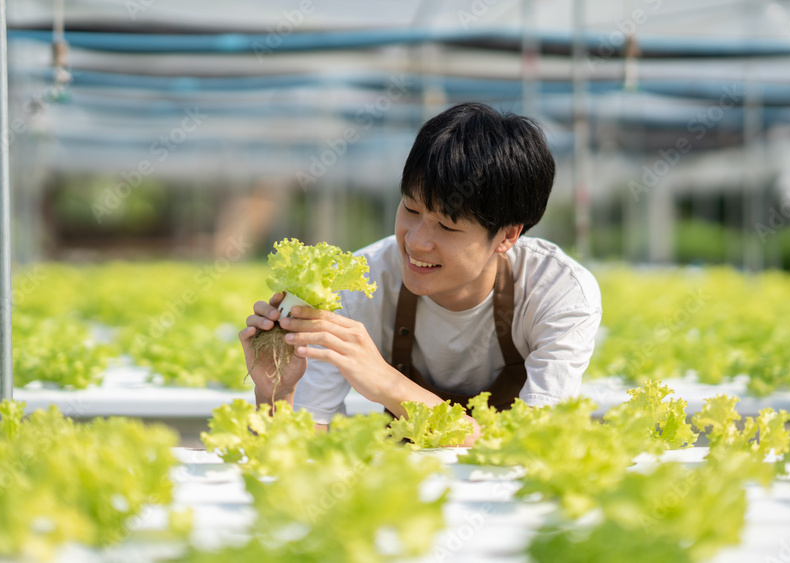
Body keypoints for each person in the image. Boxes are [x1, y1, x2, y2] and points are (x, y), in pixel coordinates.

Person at [239, 102, 601, 445]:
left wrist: (388, 384)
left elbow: (538, 446)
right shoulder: (358, 284)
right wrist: (277, 394)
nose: (416, 241)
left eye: (446, 227)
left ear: (507, 236)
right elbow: (299, 446)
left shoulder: (559, 293)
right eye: (411, 209)